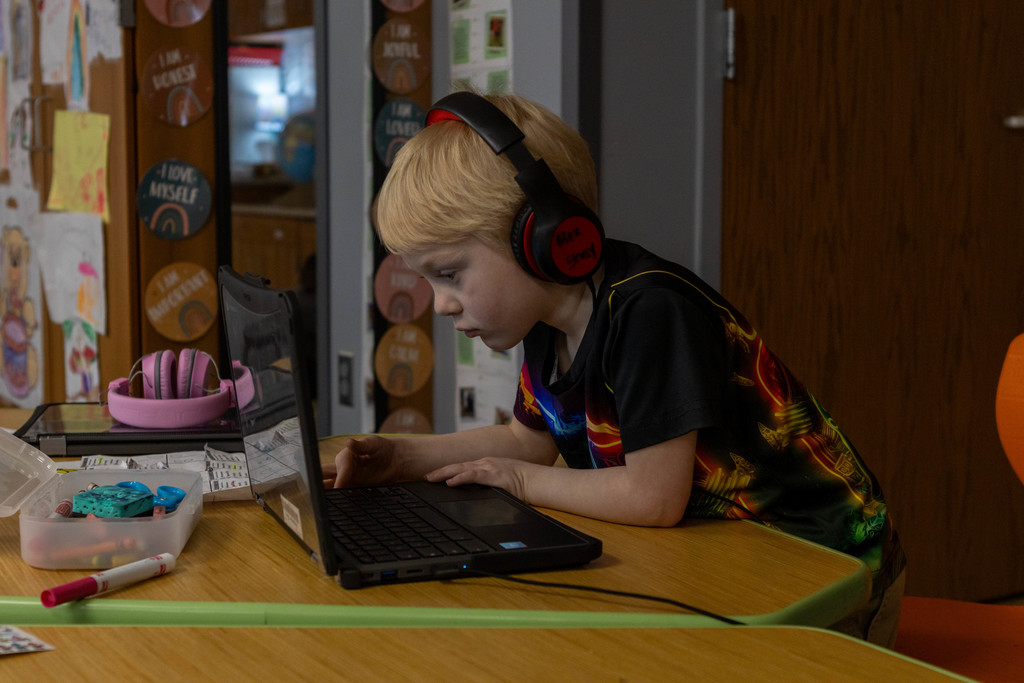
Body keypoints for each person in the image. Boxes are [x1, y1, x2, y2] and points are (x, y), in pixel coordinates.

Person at [326, 90, 906, 647]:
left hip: (828, 576)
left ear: (544, 239)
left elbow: (653, 498)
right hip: (727, 558)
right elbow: (524, 442)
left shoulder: (650, 312)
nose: (441, 304)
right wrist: (402, 458)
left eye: (450, 274)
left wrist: (519, 482)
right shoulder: (547, 320)